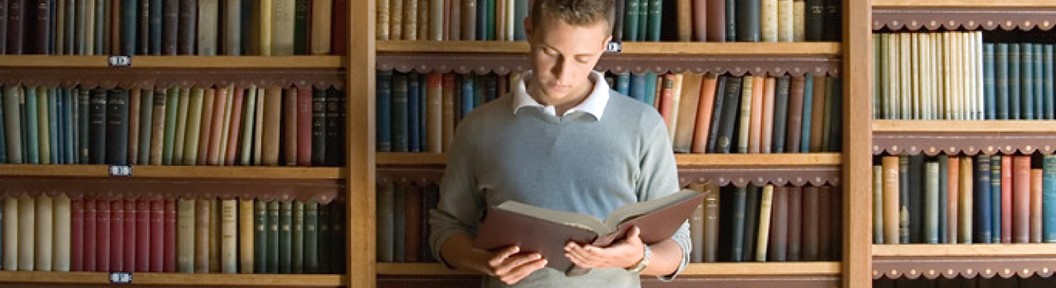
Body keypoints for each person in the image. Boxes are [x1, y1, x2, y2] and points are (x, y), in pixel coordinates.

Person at [428, 0, 691, 286]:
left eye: (582, 58)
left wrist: (637, 257)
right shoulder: (478, 127)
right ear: (529, 30)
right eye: (550, 52)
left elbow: (677, 246)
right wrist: (482, 261)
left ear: (604, 45)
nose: (563, 75)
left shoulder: (644, 125)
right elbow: (446, 229)